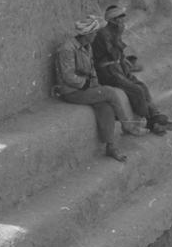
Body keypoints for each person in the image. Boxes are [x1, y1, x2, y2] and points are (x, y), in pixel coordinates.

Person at [55, 16, 149, 162]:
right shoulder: (67, 49)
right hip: (71, 91)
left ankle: (111, 147)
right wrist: (88, 84)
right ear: (86, 34)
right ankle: (128, 126)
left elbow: (92, 70)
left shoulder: (87, 46)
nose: (96, 35)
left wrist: (95, 84)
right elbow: (68, 76)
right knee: (109, 92)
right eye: (94, 32)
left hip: (85, 88)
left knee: (106, 107)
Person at [92, 5, 172, 135]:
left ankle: (155, 115)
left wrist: (126, 64)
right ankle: (151, 121)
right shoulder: (103, 34)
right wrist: (118, 35)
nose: (123, 20)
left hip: (117, 68)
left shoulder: (114, 31)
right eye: (121, 17)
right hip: (107, 72)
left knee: (142, 86)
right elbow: (114, 54)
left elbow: (119, 56)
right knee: (136, 90)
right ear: (113, 20)